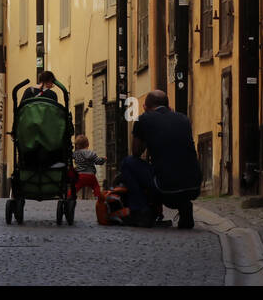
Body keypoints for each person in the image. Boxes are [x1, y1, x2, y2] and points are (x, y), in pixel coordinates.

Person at [118, 90, 201, 229]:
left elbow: (136, 152)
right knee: (173, 167)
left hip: (165, 186)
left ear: (145, 106)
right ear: (168, 106)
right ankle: (184, 207)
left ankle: (141, 209)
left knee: (128, 163)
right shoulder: (183, 119)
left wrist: (146, 137)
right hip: (194, 185)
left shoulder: (143, 119)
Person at [71, 134, 106, 199]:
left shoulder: (76, 154)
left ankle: (69, 196)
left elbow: (70, 157)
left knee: (75, 187)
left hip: (80, 176)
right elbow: (98, 161)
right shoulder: (91, 153)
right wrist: (103, 159)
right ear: (88, 144)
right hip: (91, 176)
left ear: (77, 145)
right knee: (96, 186)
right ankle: (98, 198)